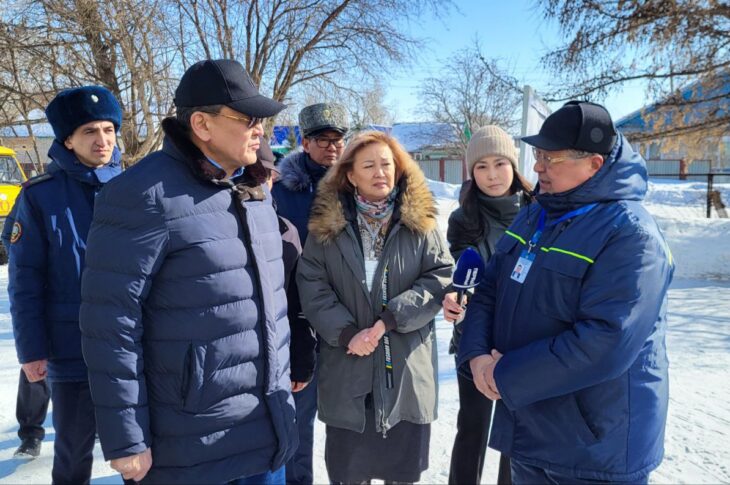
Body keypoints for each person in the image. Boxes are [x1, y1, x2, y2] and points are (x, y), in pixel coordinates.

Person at [79, 59, 297, 484]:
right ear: (201, 123)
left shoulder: (253, 191)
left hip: (265, 433)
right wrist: (127, 438)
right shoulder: (142, 195)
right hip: (190, 445)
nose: (261, 130)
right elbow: (110, 322)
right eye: (248, 118)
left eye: (264, 120)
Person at [458, 101, 674, 484]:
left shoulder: (631, 235)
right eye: (538, 155)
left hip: (593, 450)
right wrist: (476, 356)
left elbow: (605, 341)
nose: (538, 166)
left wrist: (503, 373)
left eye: (551, 158)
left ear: (593, 163)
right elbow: (490, 287)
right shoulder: (536, 213)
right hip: (531, 432)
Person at [297, 131, 453, 484]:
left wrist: (389, 320)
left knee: (402, 474)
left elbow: (438, 277)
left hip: (405, 377)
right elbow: (312, 284)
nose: (380, 172)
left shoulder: (421, 223)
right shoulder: (326, 228)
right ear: (350, 175)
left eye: (387, 164)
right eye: (369, 165)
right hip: (347, 375)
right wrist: (348, 333)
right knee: (349, 473)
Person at [7, 85, 123, 483]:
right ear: (68, 140)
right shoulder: (41, 197)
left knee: (143, 453)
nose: (102, 140)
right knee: (73, 455)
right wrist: (32, 349)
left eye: (108, 130)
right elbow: (25, 281)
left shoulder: (134, 189)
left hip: (134, 349)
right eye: (90, 131)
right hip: (72, 350)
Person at [441, 125, 533, 485]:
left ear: (513, 164)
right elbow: (460, 275)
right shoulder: (463, 218)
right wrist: (453, 295)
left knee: (517, 434)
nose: (492, 175)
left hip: (525, 340)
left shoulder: (538, 211)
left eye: (499, 163)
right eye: (481, 166)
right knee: (473, 428)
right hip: (475, 338)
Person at [271, 102, 349, 485]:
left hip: (349, 318)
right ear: (304, 142)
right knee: (298, 419)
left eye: (338, 139)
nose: (332, 147)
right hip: (299, 317)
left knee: (349, 420)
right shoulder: (283, 191)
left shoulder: (355, 186)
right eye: (322, 139)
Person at [1, 207, 51, 460]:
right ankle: (31, 434)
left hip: (91, 295)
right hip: (46, 297)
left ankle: (96, 424)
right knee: (36, 367)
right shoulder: (34, 193)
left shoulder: (107, 187)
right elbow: (10, 233)